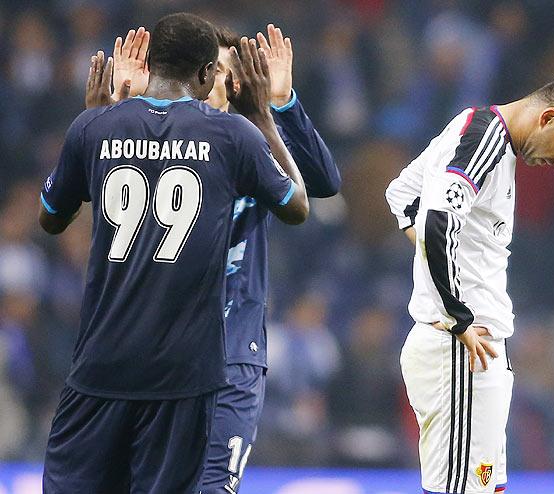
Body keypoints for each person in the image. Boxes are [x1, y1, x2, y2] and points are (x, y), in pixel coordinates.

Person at [39, 12, 309, 493]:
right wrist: (264, 115)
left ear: (152, 63)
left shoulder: (95, 127)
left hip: (102, 361)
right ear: (207, 74)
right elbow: (297, 205)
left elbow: (51, 218)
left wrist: (100, 120)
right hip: (183, 376)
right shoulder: (232, 135)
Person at [108, 22, 340, 493]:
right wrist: (123, 107)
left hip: (233, 353)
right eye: (212, 71)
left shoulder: (253, 141)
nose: (222, 83)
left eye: (230, 75)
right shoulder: (153, 137)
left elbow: (323, 182)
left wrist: (280, 104)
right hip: (156, 353)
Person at [385, 74, 554, 494]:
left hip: (473, 351)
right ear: (549, 117)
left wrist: (441, 270)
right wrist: (457, 315)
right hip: (459, 352)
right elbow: (438, 218)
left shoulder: (483, 135)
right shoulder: (484, 139)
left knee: (485, 489)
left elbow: (403, 196)